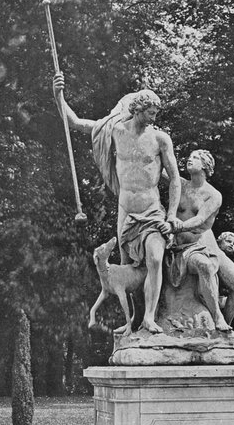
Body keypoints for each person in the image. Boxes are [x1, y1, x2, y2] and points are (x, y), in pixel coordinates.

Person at [52, 72, 181, 333]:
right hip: (126, 212)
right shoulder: (115, 131)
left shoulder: (160, 139)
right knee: (127, 268)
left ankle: (150, 318)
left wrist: (171, 216)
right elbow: (75, 123)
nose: (154, 118)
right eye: (151, 113)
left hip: (152, 212)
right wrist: (57, 95)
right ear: (138, 109)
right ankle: (134, 321)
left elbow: (176, 180)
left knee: (155, 259)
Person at [160, 150, 232, 331]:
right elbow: (157, 168)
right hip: (174, 245)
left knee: (205, 266)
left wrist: (176, 227)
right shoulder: (180, 184)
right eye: (189, 157)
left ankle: (218, 316)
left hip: (196, 246)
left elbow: (200, 219)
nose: (189, 159)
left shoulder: (213, 195)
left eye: (195, 157)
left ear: (205, 165)